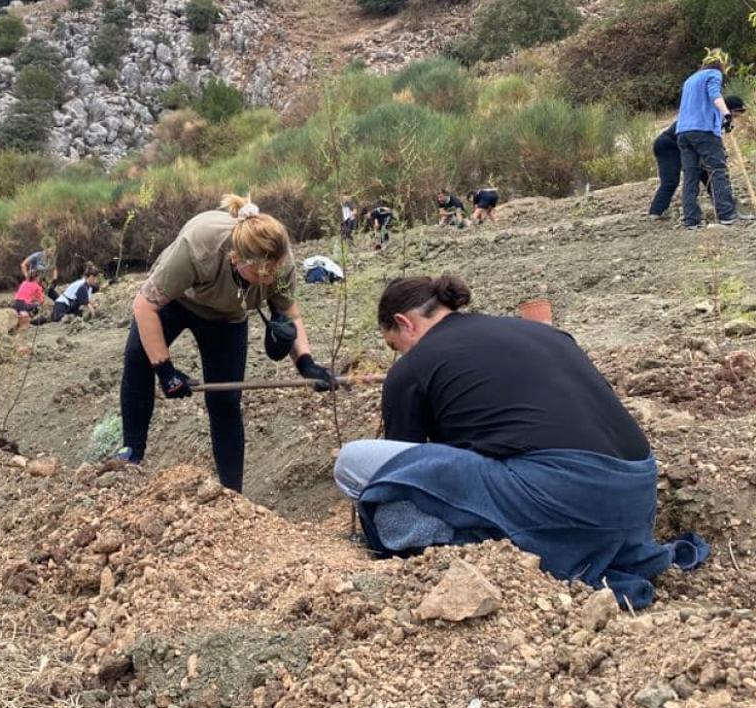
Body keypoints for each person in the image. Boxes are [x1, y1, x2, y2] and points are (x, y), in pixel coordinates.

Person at [333, 275, 710, 609]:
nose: (397, 355)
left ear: (404, 323)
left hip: (563, 493)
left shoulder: (411, 369)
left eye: (393, 345)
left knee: (353, 462)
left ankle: (475, 545)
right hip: (636, 493)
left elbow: (404, 476)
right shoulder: (541, 333)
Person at [117, 194, 336, 492]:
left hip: (229, 316)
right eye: (258, 273)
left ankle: (232, 492)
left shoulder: (280, 261)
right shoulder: (199, 246)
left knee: (225, 401)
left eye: (271, 271)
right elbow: (145, 306)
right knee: (138, 360)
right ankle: (131, 455)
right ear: (235, 257)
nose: (266, 278)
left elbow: (288, 311)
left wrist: (306, 363)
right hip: (178, 300)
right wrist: (165, 370)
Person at [676, 50, 751, 229]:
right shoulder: (713, 74)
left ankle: (691, 220)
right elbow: (715, 95)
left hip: (683, 132)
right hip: (703, 131)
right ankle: (726, 214)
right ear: (722, 65)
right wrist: (726, 115)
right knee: (718, 170)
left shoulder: (690, 80)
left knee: (690, 175)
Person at [649, 95, 746, 220]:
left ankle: (725, 205)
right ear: (728, 110)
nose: (735, 119)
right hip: (669, 145)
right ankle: (657, 212)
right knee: (671, 181)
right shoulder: (709, 115)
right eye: (735, 115)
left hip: (688, 144)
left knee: (707, 174)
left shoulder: (717, 117)